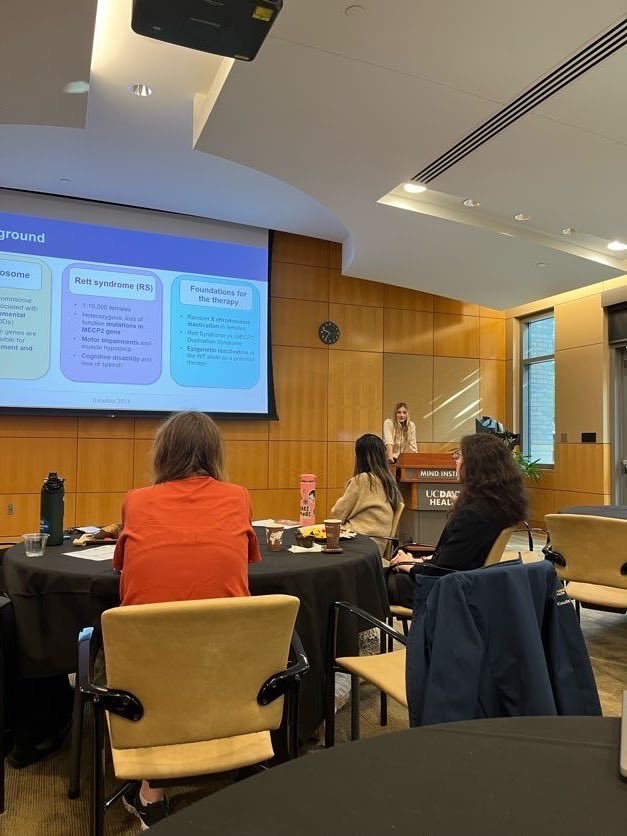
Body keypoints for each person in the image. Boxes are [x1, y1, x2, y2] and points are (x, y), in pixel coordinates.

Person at [112, 410, 261, 828]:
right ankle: (235, 752)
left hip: (147, 679)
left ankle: (152, 789)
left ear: (163, 453)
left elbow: (123, 573)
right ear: (214, 453)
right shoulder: (238, 497)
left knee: (120, 646)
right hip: (229, 670)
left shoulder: (135, 502)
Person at [387, 432, 528, 608]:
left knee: (369, 582)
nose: (455, 460)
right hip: (463, 583)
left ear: (476, 464)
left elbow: (442, 570)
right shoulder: (496, 506)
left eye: (459, 455)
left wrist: (407, 565)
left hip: (445, 591)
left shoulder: (474, 515)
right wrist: (414, 560)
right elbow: (454, 558)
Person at [330, 433, 403, 557]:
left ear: (360, 457)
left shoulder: (363, 480)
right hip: (377, 545)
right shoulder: (388, 481)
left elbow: (336, 515)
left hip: (360, 544)